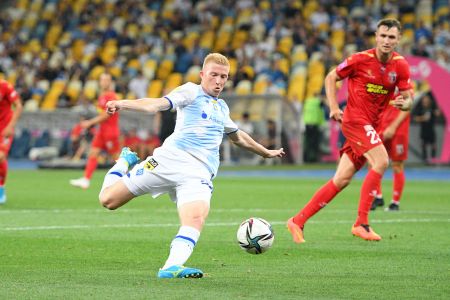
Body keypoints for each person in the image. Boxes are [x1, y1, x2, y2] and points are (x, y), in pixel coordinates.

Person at [98, 53, 285, 279]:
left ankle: (171, 267)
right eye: (214, 75)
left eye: (223, 77)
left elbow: (238, 137)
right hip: (168, 160)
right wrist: (121, 103)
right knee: (108, 200)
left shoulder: (222, 108)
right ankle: (124, 161)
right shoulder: (190, 91)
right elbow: (155, 104)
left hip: (198, 173)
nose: (218, 81)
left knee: (196, 217)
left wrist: (265, 152)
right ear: (202, 75)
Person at [287, 18, 412, 243]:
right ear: (376, 36)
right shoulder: (360, 60)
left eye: (391, 37)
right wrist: (334, 107)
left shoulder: (400, 65)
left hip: (372, 126)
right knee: (382, 161)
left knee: (341, 179)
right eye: (383, 36)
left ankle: (297, 220)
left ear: (398, 40)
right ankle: (361, 223)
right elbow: (331, 76)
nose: (386, 40)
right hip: (355, 121)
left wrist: (406, 103)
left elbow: (408, 98)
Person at [70, 73, 120, 189]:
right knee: (93, 153)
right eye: (102, 80)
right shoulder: (102, 96)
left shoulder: (111, 96)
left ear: (110, 82)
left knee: (117, 158)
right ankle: (86, 179)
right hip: (102, 130)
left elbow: (106, 115)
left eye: (106, 80)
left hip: (110, 131)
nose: (104, 82)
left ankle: (129, 180)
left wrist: (90, 123)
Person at [371, 89, 411, 211]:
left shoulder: (404, 81)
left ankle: (395, 202)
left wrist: (393, 127)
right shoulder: (383, 78)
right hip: (381, 126)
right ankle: (377, 196)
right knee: (373, 160)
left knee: (397, 164)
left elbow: (408, 105)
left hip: (398, 130)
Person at [0, 79, 23, 204]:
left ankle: (1, 189)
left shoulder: (4, 86)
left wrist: (10, 126)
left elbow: (18, 106)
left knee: (0, 156)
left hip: (4, 128)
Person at [413, 94, 440, 162]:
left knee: (433, 145)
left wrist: (437, 112)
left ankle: (433, 160)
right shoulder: (420, 108)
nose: (425, 100)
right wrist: (423, 118)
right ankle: (425, 160)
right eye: (424, 99)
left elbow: (438, 113)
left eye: (427, 99)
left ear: (429, 100)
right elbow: (415, 118)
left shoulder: (432, 106)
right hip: (423, 130)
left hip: (431, 129)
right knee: (423, 145)